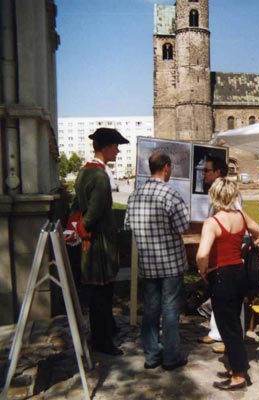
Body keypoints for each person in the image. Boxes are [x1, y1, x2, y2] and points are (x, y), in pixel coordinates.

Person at [196, 178, 259, 391]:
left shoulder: (212, 222)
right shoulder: (241, 216)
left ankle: (239, 375)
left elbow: (202, 254)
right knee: (233, 322)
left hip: (222, 275)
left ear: (214, 196)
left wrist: (202, 270)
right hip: (239, 272)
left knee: (229, 328)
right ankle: (236, 366)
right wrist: (247, 249)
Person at [124, 152, 189, 370]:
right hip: (170, 262)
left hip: (148, 261)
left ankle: (152, 355)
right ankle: (171, 357)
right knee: (170, 311)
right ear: (167, 168)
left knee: (150, 309)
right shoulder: (170, 194)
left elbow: (128, 226)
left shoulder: (135, 195)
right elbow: (182, 227)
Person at [69, 127, 128, 355]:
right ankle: (102, 340)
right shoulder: (100, 175)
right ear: (105, 147)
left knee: (97, 293)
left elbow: (78, 207)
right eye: (115, 147)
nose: (117, 152)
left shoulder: (85, 171)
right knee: (102, 293)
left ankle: (105, 331)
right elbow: (93, 213)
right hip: (99, 244)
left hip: (91, 242)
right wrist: (84, 230)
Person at [198, 155, 241, 353]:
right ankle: (217, 332)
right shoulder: (213, 192)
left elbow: (237, 217)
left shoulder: (230, 193)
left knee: (230, 300)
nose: (203, 174)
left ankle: (230, 337)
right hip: (216, 249)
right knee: (218, 295)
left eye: (207, 170)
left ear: (217, 172)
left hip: (228, 251)